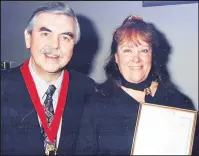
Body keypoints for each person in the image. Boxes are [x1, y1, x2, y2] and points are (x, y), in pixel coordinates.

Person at [76, 15, 198, 155]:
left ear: (152, 56)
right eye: (127, 50)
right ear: (116, 57)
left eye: (144, 50)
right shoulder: (94, 104)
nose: (136, 59)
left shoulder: (180, 102)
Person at [1, 2, 97, 155]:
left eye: (65, 37)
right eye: (46, 34)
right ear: (28, 37)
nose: (55, 45)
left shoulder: (88, 90)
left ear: (74, 46)